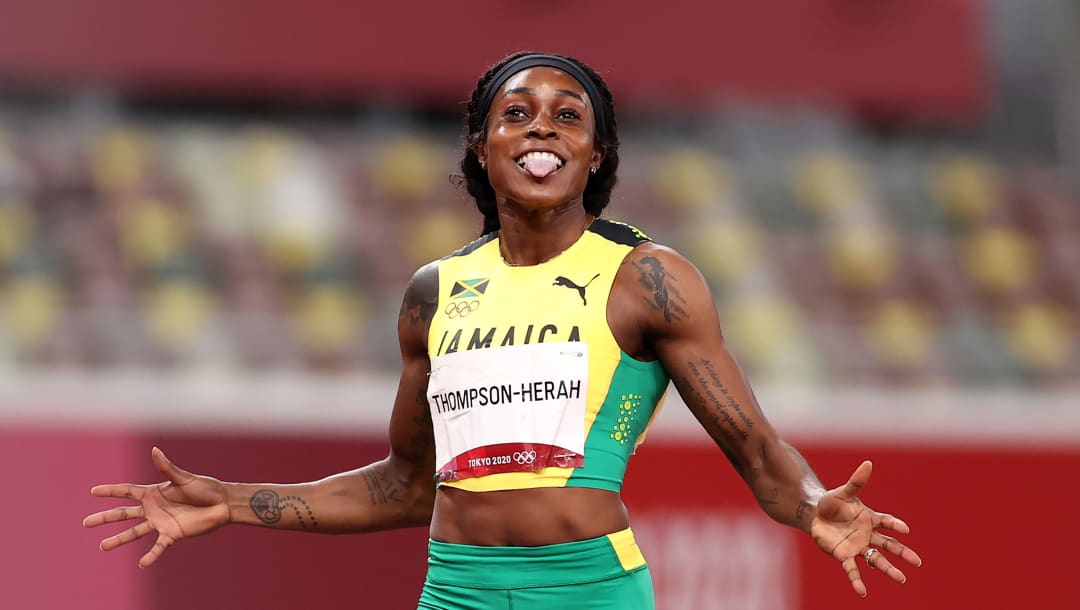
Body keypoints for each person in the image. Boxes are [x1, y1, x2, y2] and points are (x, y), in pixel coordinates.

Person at [84, 52, 922, 609]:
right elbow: (407, 487)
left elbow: (760, 452)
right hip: (458, 591)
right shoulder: (434, 293)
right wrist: (230, 502)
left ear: (597, 155)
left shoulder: (649, 281)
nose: (543, 128)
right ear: (482, 148)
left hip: (588, 589)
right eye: (517, 113)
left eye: (569, 115)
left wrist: (814, 505)